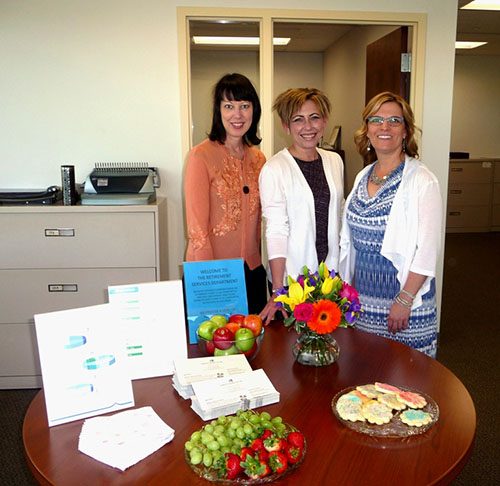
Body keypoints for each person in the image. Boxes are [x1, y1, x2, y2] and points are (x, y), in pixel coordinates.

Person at [339, 91, 442, 358]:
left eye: (394, 121)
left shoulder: (422, 179)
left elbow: (428, 250)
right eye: (376, 120)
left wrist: (404, 300)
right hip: (364, 304)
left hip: (403, 304)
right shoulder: (364, 175)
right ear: (367, 129)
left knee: (406, 387)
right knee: (366, 385)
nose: (385, 127)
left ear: (406, 130)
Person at [259, 88, 344, 325]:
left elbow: (337, 215)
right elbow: (276, 229)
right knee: (294, 351)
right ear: (286, 126)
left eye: (314, 117)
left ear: (324, 122)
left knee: (327, 346)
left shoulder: (334, 161)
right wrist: (278, 290)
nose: (308, 126)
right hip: (292, 280)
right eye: (298, 119)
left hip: (329, 276)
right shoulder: (275, 169)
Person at [184, 73, 267, 314]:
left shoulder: (259, 159)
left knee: (254, 347)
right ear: (218, 111)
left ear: (254, 110)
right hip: (213, 274)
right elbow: (197, 230)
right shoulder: (201, 156)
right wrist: (210, 279)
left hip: (251, 271)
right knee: (215, 349)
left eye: (244, 106)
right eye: (229, 106)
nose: (237, 115)